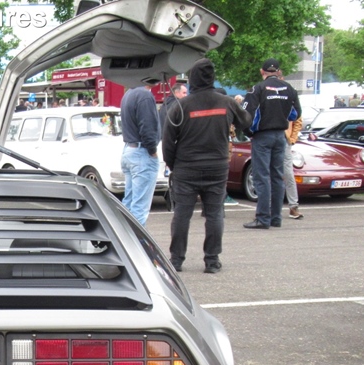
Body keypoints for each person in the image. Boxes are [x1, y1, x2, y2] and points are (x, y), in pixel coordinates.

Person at [162, 58, 251, 274]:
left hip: (186, 167)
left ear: (192, 79)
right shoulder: (227, 102)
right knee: (214, 214)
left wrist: (174, 165)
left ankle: (176, 260)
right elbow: (246, 122)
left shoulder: (181, 106)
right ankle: (212, 260)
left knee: (182, 214)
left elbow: (168, 141)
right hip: (217, 167)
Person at [240, 58, 302, 229]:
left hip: (262, 136)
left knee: (262, 177)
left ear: (262, 71)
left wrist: (249, 133)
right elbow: (296, 114)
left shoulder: (257, 89)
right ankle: (276, 218)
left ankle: (262, 218)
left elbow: (245, 115)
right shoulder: (290, 89)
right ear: (278, 71)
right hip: (280, 136)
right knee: (277, 176)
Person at [120, 85, 160, 225]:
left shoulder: (129, 93)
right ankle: (136, 238)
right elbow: (147, 127)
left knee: (129, 202)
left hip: (129, 149)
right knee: (140, 207)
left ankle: (123, 235)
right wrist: (153, 151)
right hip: (141, 151)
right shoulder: (145, 95)